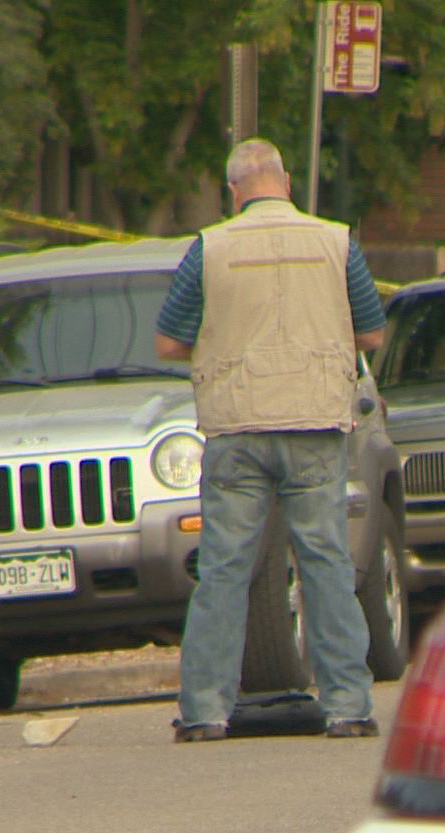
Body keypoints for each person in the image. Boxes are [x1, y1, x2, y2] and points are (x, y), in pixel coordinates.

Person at [154, 138, 387, 744]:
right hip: (313, 422)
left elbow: (169, 343)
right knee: (327, 564)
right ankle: (347, 707)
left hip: (237, 427)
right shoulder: (338, 243)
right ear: (286, 182)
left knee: (224, 571)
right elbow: (372, 333)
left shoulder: (209, 248)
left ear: (234, 191)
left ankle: (205, 711)